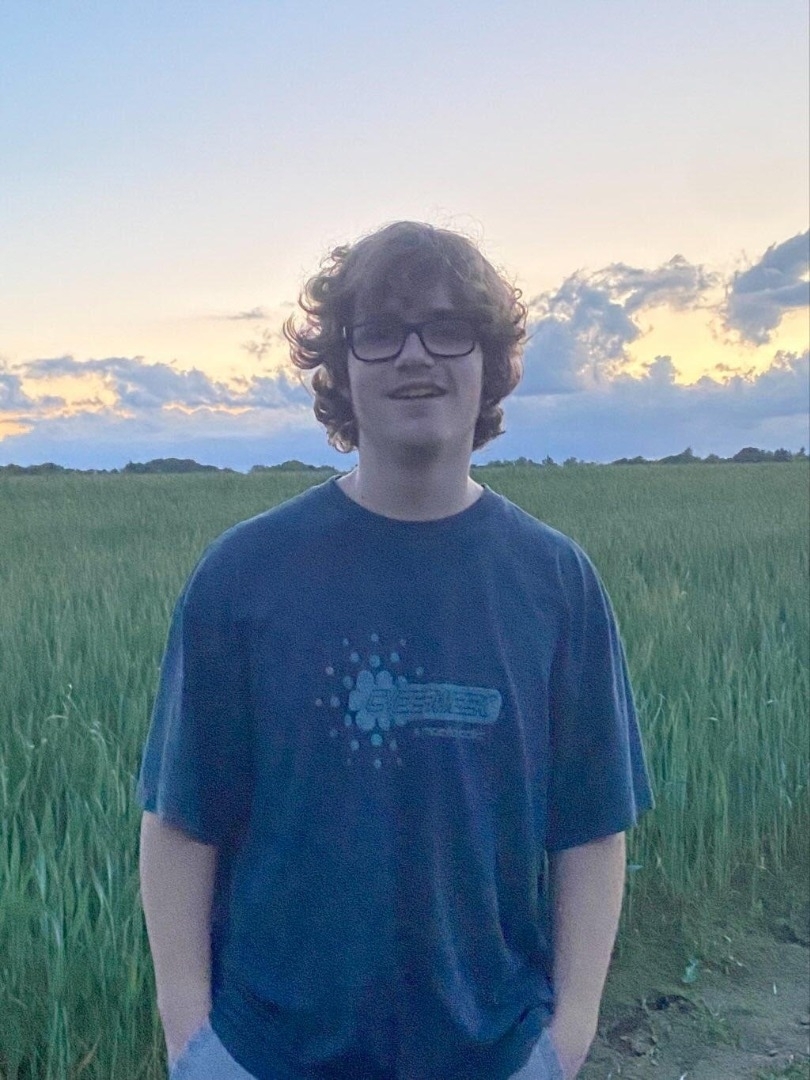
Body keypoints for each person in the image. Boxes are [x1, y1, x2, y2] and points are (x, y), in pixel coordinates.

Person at [137, 220, 654, 1080]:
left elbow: (592, 828)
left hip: (492, 1053)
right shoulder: (244, 574)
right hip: (269, 1054)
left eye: (448, 329)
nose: (415, 355)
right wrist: (193, 1043)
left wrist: (566, 1038)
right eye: (379, 332)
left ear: (490, 361)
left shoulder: (556, 581)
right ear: (339, 368)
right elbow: (181, 820)